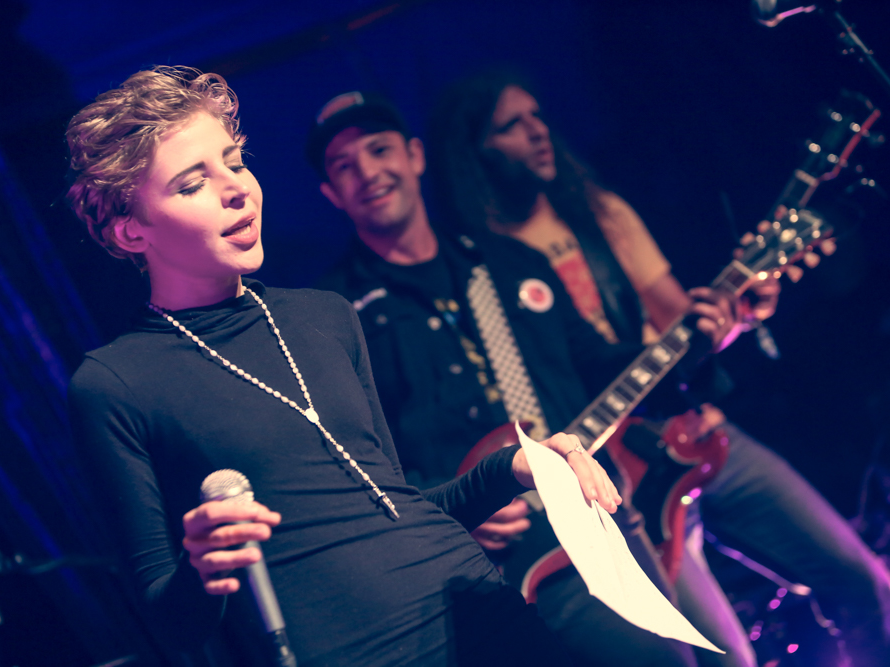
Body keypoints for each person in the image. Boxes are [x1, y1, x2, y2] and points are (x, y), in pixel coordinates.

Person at [63, 65, 625, 667]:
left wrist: (512, 467)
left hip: (479, 610)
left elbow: (400, 509)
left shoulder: (324, 316)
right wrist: (203, 569)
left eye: (235, 162)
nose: (235, 189)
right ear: (130, 231)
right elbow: (167, 623)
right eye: (193, 183)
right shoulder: (116, 384)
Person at [427, 68, 890, 667]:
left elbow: (678, 320)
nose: (537, 132)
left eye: (537, 116)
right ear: (475, 151)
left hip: (688, 425)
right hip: (615, 474)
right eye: (511, 125)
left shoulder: (598, 212)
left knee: (860, 577)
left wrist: (735, 316)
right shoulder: (475, 265)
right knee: (721, 656)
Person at [307, 90, 741, 667]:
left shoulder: (508, 264)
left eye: (380, 150)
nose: (368, 172)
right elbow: (352, 459)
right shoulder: (334, 313)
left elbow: (598, 370)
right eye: (344, 165)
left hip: (592, 511)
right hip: (481, 561)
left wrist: (693, 346)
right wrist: (451, 507)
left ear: (415, 156)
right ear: (329, 193)